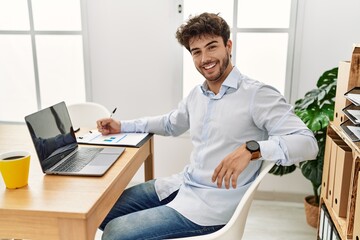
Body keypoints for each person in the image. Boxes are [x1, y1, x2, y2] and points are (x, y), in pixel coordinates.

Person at [96, 12, 318, 240]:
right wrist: (121, 125)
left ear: (228, 46)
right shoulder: (197, 95)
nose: (205, 59)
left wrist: (252, 149)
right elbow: (170, 123)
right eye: (196, 52)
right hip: (183, 184)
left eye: (212, 47)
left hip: (209, 208)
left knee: (117, 232)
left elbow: (308, 144)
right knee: (99, 211)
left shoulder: (257, 94)